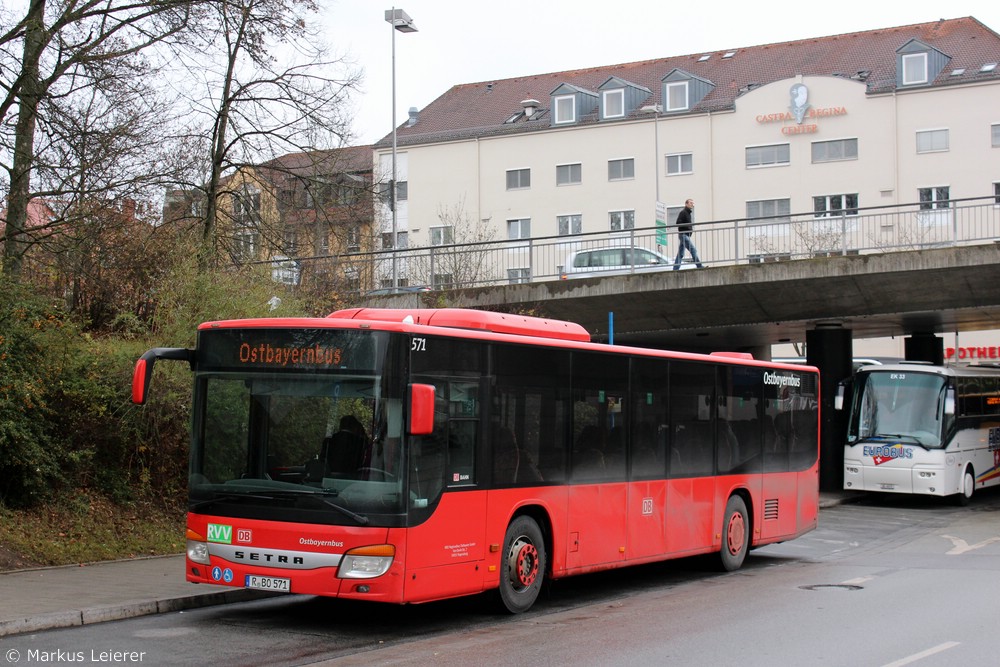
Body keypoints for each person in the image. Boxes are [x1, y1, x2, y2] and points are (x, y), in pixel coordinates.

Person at [673, 198, 704, 270]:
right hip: (683, 234)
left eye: (693, 203)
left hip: (685, 235)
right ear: (686, 204)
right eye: (690, 203)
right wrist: (687, 227)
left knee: (680, 253)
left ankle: (675, 268)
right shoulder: (683, 212)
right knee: (693, 250)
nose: (692, 204)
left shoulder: (688, 213)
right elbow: (678, 223)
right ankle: (699, 266)